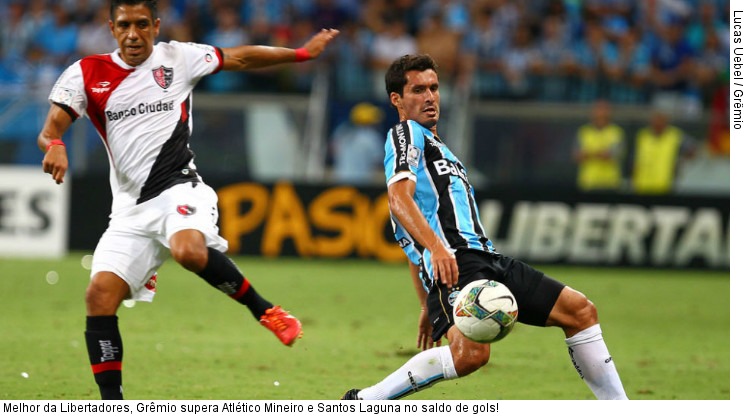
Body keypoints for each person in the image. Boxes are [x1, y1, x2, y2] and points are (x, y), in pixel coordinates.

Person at [37, 0, 338, 400]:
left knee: (189, 251)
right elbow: (51, 128)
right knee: (98, 296)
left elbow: (241, 58)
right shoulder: (86, 73)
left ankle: (267, 311)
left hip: (180, 188)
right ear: (111, 28)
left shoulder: (178, 58)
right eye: (124, 25)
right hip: (129, 209)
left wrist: (300, 53)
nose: (133, 34)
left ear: (156, 25)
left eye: (142, 24)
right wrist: (55, 143)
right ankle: (113, 404)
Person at [342, 54, 627, 400]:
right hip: (457, 262)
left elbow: (409, 237)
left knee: (580, 311)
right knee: (471, 355)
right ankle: (364, 402)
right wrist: (436, 249)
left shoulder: (440, 149)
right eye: (418, 90)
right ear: (397, 100)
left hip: (488, 260)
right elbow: (398, 199)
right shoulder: (404, 134)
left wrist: (425, 304)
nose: (430, 97)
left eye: (434, 88)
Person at [631, 109, 696, 194]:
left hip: (665, 187)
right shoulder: (642, 135)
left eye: (660, 121)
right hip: (642, 186)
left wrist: (681, 162)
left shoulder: (675, 136)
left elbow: (692, 148)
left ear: (666, 122)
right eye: (655, 121)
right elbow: (634, 157)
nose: (657, 124)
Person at [573, 100, 626, 191]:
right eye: (598, 109)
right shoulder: (584, 131)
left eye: (604, 110)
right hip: (588, 182)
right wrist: (600, 153)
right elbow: (577, 156)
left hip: (610, 183)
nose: (601, 113)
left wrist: (590, 153)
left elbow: (612, 155)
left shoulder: (616, 132)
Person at [329, 102, 385, 185]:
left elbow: (332, 151)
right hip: (361, 184)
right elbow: (378, 163)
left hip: (339, 181)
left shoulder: (341, 131)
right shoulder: (372, 137)